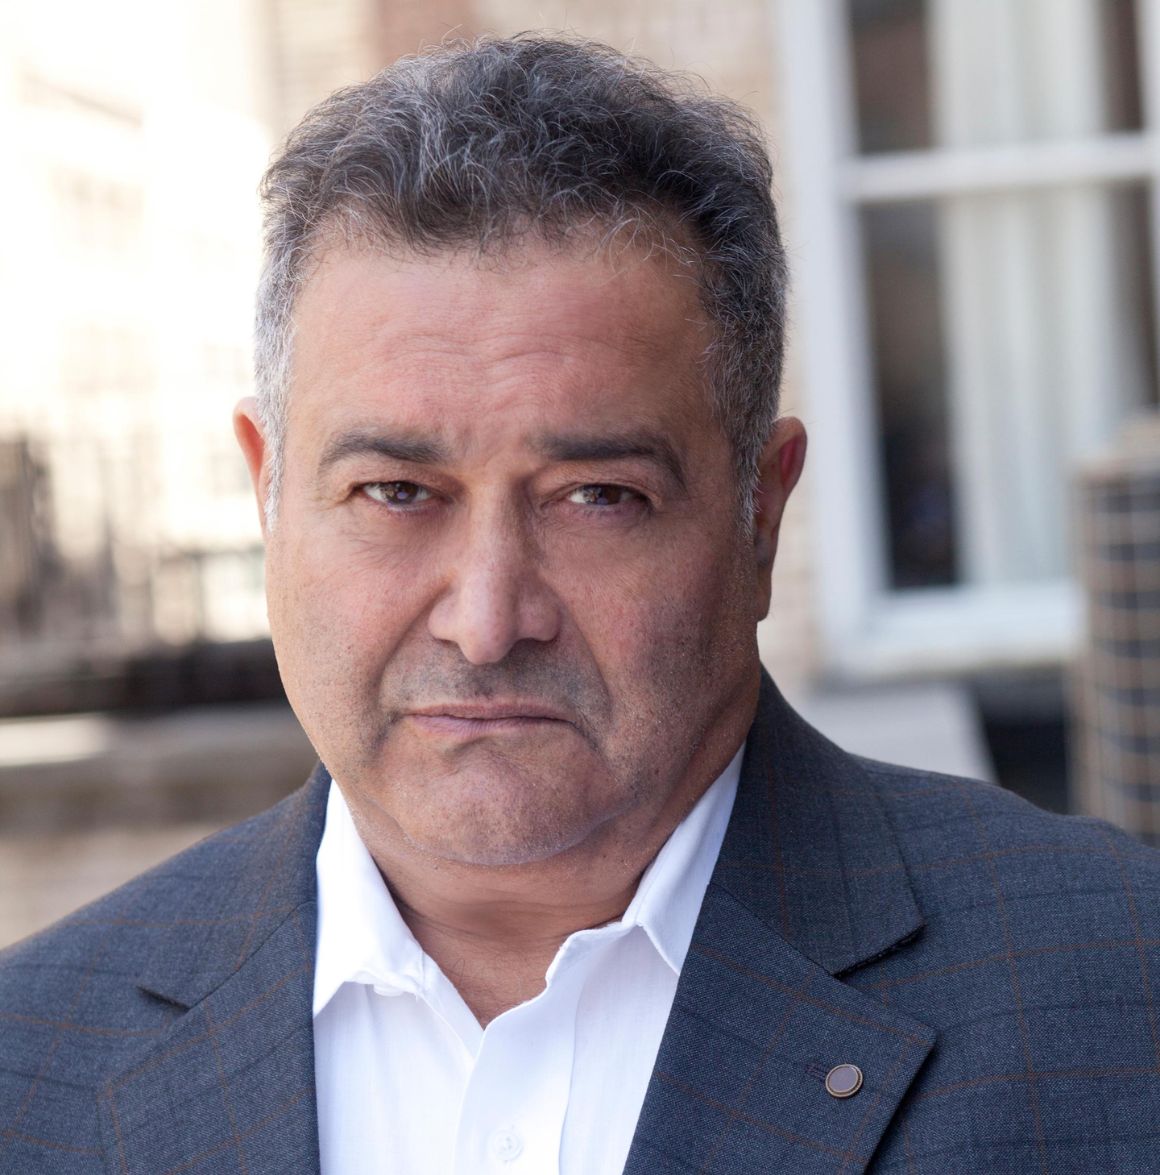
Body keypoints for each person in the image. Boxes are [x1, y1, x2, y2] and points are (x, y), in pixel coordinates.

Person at [1, 34, 1158, 1175]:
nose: (486, 618)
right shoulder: (30, 1063)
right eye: (395, 492)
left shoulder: (1117, 991)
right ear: (268, 493)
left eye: (595, 496)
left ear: (760, 513)